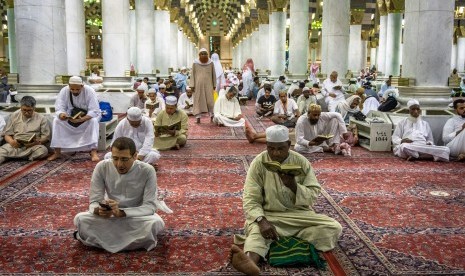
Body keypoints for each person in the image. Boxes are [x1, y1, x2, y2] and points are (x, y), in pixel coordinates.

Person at [230, 125, 342, 276]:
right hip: (269, 215)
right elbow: (250, 197)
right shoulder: (258, 163)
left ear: (289, 145)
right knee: (258, 231)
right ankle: (250, 262)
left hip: (298, 216)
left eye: (280, 148)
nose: (275, 153)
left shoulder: (301, 162)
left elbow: (314, 194)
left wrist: (294, 186)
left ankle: (277, 240)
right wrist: (262, 221)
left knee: (333, 227)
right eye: (271, 148)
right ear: (267, 146)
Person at [73, 137, 165, 253]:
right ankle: (133, 241)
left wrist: (121, 213)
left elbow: (150, 207)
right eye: (115, 158)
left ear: (135, 156)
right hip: (110, 215)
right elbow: (94, 202)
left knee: (155, 223)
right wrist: (99, 211)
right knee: (80, 219)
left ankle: (100, 240)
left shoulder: (147, 170)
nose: (119, 164)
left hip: (136, 216)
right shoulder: (102, 167)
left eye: (124, 159)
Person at [48, 76, 101, 161]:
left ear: (82, 86)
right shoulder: (64, 91)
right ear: (69, 86)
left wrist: (81, 119)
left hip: (86, 117)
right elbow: (59, 107)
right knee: (56, 121)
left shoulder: (89, 91)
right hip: (71, 116)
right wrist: (62, 114)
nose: (75, 91)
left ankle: (93, 151)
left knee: (93, 121)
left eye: (77, 89)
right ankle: (57, 152)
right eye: (72, 89)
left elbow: (94, 111)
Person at [0, 96, 51, 164]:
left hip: (32, 146)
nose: (26, 112)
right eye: (24, 110)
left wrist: (38, 141)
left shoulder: (41, 118)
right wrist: (12, 142)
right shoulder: (14, 116)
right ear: (20, 107)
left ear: (34, 108)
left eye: (29, 110)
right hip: (16, 145)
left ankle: (12, 157)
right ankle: (24, 157)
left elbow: (46, 137)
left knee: (42, 151)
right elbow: (7, 135)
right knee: (1, 151)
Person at [190, 48, 216, 124]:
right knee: (198, 101)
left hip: (209, 85)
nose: (204, 55)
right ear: (199, 55)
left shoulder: (211, 63)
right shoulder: (195, 63)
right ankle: (198, 118)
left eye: (205, 54)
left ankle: (212, 117)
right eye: (202, 54)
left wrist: (214, 84)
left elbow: (213, 74)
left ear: (208, 55)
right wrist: (192, 85)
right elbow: (192, 74)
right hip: (198, 86)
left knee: (210, 101)